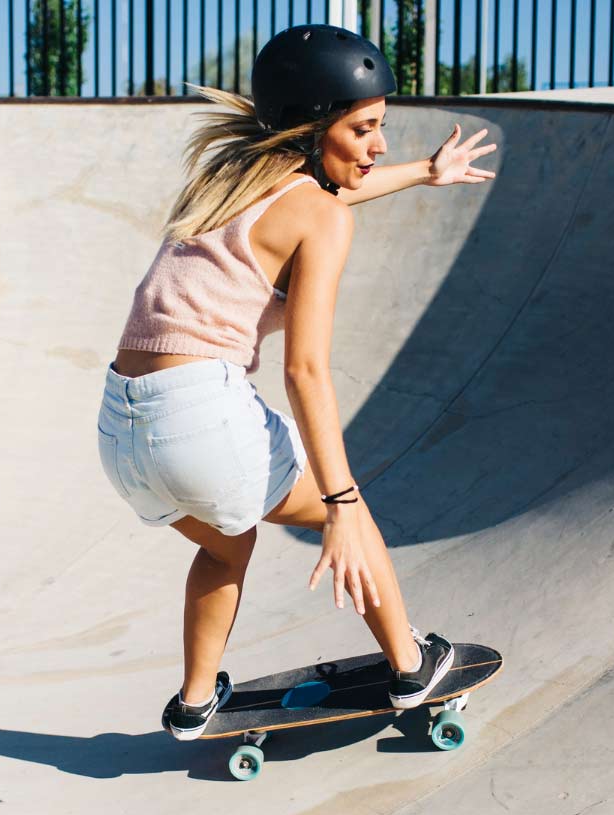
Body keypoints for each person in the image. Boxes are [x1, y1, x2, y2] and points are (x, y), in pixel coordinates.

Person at [96, 25, 497, 740]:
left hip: (122, 435)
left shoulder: (224, 184)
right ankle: (411, 667)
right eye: (366, 129)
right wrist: (340, 503)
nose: (378, 147)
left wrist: (423, 172)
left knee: (225, 546)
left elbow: (322, 199)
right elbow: (305, 369)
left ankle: (194, 702)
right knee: (354, 511)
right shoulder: (320, 217)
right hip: (201, 420)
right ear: (316, 128)